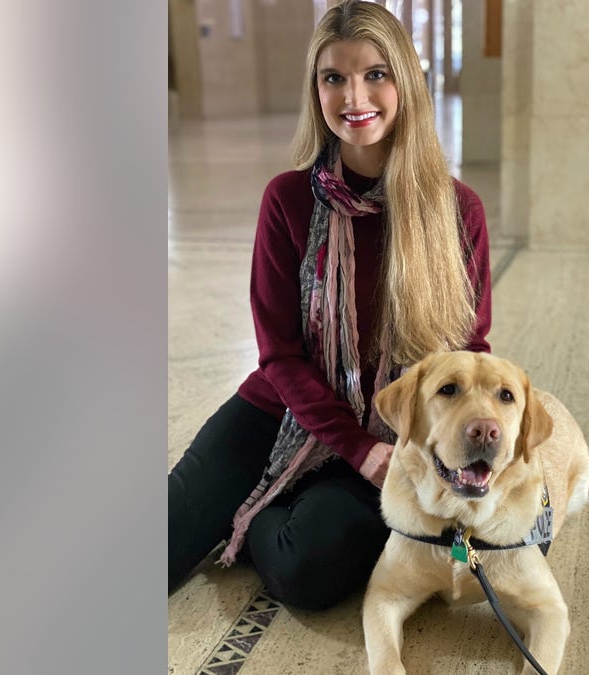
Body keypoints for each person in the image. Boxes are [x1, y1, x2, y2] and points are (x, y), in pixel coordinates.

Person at [168, 0, 492, 611]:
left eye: (375, 74)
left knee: (306, 571)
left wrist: (420, 450)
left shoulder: (457, 210)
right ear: (315, 90)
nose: (353, 95)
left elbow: (469, 350)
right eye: (333, 77)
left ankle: (256, 508)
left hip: (394, 431)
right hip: (282, 409)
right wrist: (354, 445)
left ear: (406, 82)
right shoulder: (287, 200)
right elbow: (279, 354)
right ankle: (253, 492)